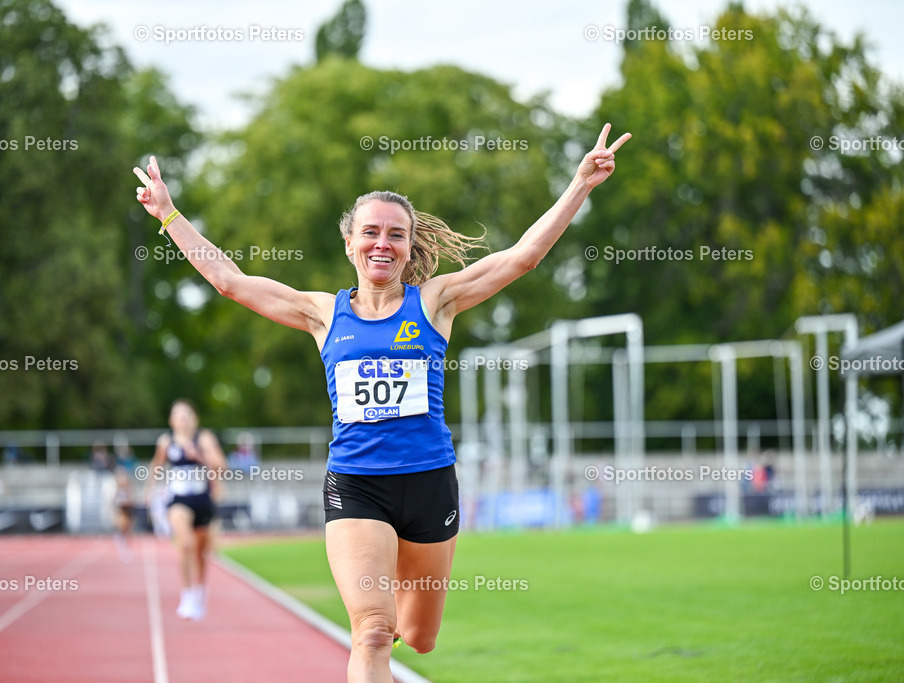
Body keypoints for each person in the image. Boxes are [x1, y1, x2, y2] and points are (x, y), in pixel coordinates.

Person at [134, 123, 630, 680]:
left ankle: (392, 585)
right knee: (372, 630)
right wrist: (168, 214)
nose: (382, 243)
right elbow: (230, 280)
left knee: (418, 637)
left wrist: (580, 184)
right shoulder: (323, 313)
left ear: (410, 246)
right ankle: (374, 593)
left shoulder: (437, 302)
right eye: (371, 232)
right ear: (349, 242)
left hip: (429, 481)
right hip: (356, 483)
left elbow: (521, 258)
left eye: (396, 234)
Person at [147, 399, 228, 621]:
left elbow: (222, 467)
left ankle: (200, 591)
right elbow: (156, 465)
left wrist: (199, 456)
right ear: (171, 420)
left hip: (202, 499)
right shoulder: (166, 441)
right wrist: (150, 492)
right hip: (178, 500)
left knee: (201, 552)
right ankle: (187, 594)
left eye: (187, 414)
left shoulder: (204, 438)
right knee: (185, 543)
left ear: (195, 418)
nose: (182, 418)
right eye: (178, 414)